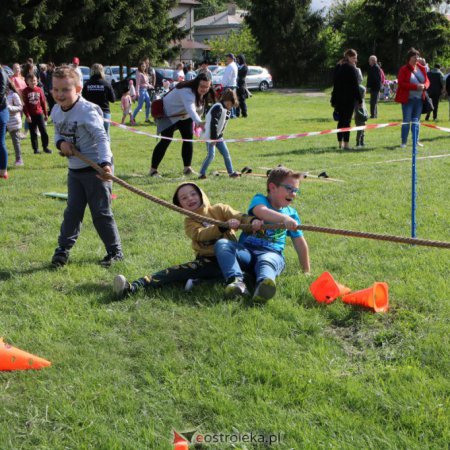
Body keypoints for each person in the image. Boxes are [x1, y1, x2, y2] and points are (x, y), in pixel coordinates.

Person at [113, 182, 262, 297]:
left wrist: (253, 221)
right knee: (174, 272)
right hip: (208, 261)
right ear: (180, 206)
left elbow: (239, 216)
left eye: (193, 194)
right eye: (184, 198)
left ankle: (234, 281)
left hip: (233, 257)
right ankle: (133, 287)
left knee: (225, 249)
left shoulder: (220, 209)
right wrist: (221, 227)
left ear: (201, 195)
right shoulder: (189, 222)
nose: (190, 198)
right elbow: (200, 234)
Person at [50, 65, 123, 268]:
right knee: (72, 211)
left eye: (65, 90)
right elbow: (57, 134)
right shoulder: (56, 110)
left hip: (96, 169)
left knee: (100, 213)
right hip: (75, 171)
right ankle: (62, 250)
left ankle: (115, 251)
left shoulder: (87, 111)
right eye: (56, 89)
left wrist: (105, 165)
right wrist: (60, 144)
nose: (60, 94)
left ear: (78, 89)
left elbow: (101, 138)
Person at [214, 166, 310, 303]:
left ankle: (264, 286)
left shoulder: (292, 214)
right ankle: (236, 281)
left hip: (272, 254)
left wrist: (306, 271)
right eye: (289, 189)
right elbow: (261, 211)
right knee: (222, 244)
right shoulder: (260, 200)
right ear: (272, 187)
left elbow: (300, 243)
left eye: (296, 190)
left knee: (267, 262)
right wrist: (284, 219)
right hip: (246, 252)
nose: (293, 194)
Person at [149, 73, 211, 177]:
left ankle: (187, 168)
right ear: (196, 84)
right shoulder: (187, 91)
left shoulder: (202, 92)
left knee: (188, 140)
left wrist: (198, 120)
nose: (204, 89)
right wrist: (199, 122)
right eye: (202, 86)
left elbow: (199, 107)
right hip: (168, 115)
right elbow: (191, 108)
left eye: (207, 87)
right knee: (165, 140)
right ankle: (153, 170)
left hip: (184, 116)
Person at [198, 89, 240, 179]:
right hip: (211, 136)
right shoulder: (218, 107)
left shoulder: (225, 109)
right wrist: (213, 139)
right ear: (226, 101)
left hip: (219, 137)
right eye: (230, 105)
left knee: (226, 154)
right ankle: (201, 173)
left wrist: (218, 137)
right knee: (211, 155)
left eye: (231, 106)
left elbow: (222, 124)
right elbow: (214, 124)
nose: (230, 107)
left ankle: (231, 172)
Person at [395, 48, 429, 148]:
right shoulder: (403, 69)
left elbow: (427, 81)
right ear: (409, 58)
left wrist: (425, 86)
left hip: (419, 100)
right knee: (406, 120)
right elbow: (401, 83)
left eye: (417, 57)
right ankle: (404, 142)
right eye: (415, 57)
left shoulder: (422, 68)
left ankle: (416, 141)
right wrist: (416, 87)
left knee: (416, 121)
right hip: (408, 100)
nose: (417, 59)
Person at [331, 49, 362, 149]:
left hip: (338, 99)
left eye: (356, 58)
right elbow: (355, 86)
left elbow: (334, 84)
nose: (355, 60)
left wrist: (333, 99)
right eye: (354, 58)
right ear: (348, 57)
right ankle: (346, 144)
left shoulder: (338, 67)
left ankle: (340, 143)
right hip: (348, 99)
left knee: (340, 121)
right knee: (347, 121)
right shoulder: (351, 68)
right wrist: (360, 100)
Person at [82, 63, 116, 136]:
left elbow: (83, 99)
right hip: (104, 112)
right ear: (102, 71)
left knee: (91, 135)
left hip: (90, 113)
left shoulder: (87, 84)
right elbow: (113, 99)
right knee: (105, 134)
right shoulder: (106, 84)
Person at [22, 73, 51, 154]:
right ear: (27, 81)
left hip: (39, 114)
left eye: (34, 80)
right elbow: (25, 105)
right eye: (31, 81)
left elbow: (43, 102)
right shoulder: (25, 91)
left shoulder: (39, 90)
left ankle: (45, 147)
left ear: (37, 81)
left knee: (43, 131)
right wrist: (27, 116)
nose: (33, 82)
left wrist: (45, 114)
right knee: (33, 132)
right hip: (31, 115)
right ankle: (35, 149)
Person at [6, 82, 24, 166]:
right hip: (3, 121)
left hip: (13, 121)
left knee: (15, 141)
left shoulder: (13, 95)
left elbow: (20, 107)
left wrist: (9, 108)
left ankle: (19, 159)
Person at [221, 54, 238, 118]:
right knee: (232, 100)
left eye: (227, 58)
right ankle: (232, 114)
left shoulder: (230, 66)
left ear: (230, 58)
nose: (226, 60)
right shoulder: (234, 65)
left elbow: (227, 77)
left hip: (228, 85)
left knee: (228, 101)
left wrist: (223, 85)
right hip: (233, 85)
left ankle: (230, 114)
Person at [0, 64, 9, 179]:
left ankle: (3, 171)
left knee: (0, 142)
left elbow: (0, 94)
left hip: (1, 111)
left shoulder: (1, 74)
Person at [236, 54, 248, 118]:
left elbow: (241, 76)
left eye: (238, 59)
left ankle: (244, 113)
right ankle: (237, 113)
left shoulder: (245, 67)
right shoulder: (237, 66)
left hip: (241, 85)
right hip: (236, 85)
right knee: (236, 99)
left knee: (242, 100)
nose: (237, 60)